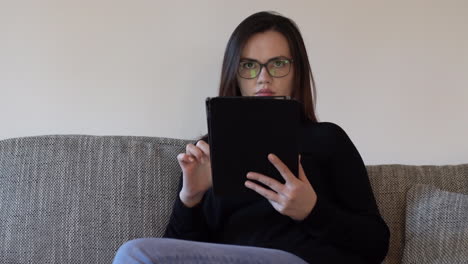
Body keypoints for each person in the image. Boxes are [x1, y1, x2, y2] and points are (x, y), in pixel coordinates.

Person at [113, 11, 390, 264]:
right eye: (249, 65)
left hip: (299, 259)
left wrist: (312, 210)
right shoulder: (207, 153)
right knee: (136, 255)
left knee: (133, 254)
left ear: (297, 71)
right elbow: (176, 253)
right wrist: (190, 197)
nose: (263, 78)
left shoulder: (327, 139)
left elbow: (376, 244)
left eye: (278, 64)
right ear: (235, 73)